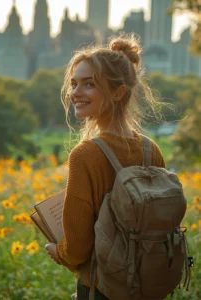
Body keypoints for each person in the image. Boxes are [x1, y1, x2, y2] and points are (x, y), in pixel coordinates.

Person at [45, 34, 165, 299]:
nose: (76, 93)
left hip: (101, 287)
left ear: (117, 92)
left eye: (89, 84)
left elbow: (77, 249)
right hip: (145, 285)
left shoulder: (85, 155)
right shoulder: (150, 150)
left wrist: (58, 251)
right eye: (74, 84)